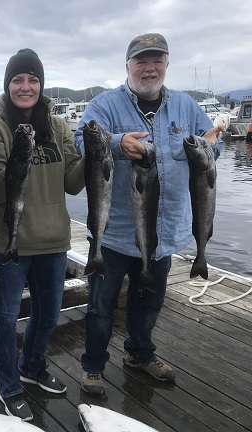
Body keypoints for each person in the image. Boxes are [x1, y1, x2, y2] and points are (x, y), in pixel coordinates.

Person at [74, 33, 224, 395]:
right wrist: (115, 142)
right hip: (113, 234)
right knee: (100, 307)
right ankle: (93, 366)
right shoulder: (104, 105)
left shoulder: (186, 106)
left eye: (157, 60)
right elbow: (81, 140)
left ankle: (140, 354)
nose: (149, 67)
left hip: (163, 235)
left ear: (167, 65)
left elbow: (209, 143)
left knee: (149, 303)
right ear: (127, 66)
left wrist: (211, 145)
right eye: (141, 60)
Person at [0, 48, 86, 420]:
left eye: (33, 80)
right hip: (7, 242)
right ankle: (9, 385)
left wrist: (94, 156)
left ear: (41, 85)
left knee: (48, 314)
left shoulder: (58, 127)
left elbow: (73, 183)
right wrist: (20, 154)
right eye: (17, 80)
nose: (25, 87)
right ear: (7, 85)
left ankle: (32, 366)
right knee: (6, 317)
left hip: (54, 239)